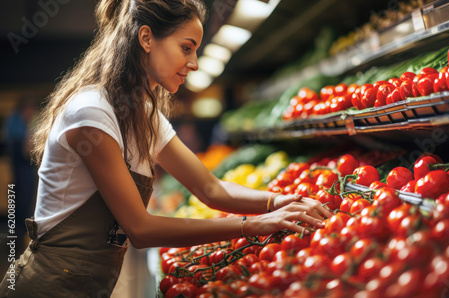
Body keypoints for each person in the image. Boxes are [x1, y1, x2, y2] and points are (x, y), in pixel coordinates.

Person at [0, 0, 331, 297]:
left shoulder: (143, 113)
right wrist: (251, 224)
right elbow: (140, 229)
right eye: (187, 48)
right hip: (46, 286)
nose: (195, 63)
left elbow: (211, 188)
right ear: (146, 38)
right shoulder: (91, 112)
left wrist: (278, 201)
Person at [4, 97, 37, 253]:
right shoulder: (16, 122)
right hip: (20, 168)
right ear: (25, 109)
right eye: (30, 109)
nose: (31, 113)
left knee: (27, 200)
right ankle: (16, 236)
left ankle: (21, 234)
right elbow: (23, 150)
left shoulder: (27, 123)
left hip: (27, 169)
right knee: (21, 202)